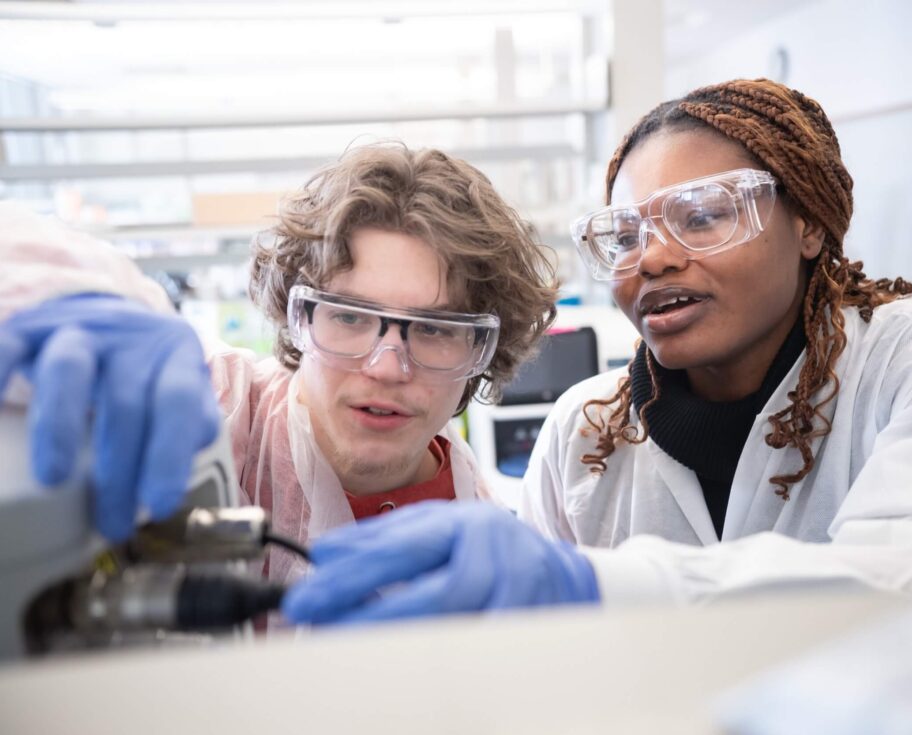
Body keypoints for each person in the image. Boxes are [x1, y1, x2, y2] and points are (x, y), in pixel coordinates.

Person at [276, 78, 912, 625]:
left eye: (703, 215)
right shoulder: (583, 434)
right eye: (625, 236)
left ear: (810, 224)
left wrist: (595, 587)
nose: (655, 258)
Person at [0, 143, 558, 585]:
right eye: (349, 317)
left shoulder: (482, 533)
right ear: (298, 320)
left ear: (484, 352)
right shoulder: (212, 410)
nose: (387, 367)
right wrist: (90, 296)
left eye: (436, 329)